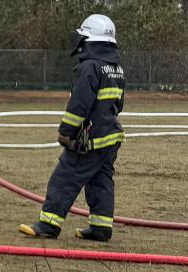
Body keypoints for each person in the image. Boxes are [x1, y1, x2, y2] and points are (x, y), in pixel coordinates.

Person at [20, 14, 124, 241]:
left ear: (88, 40)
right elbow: (119, 104)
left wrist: (66, 131)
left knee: (64, 177)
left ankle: (48, 224)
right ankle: (101, 228)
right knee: (101, 180)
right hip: (111, 137)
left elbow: (79, 105)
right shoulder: (115, 68)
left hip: (90, 139)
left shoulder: (89, 67)